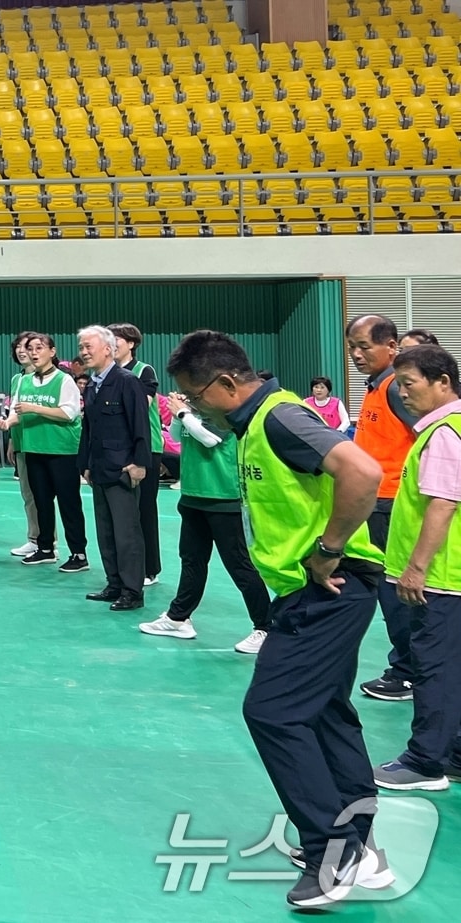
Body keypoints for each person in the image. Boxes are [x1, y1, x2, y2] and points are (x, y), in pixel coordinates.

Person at [167, 330, 388, 909]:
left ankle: (330, 854)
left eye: (194, 396)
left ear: (225, 383)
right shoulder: (252, 426)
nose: (191, 406)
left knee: (272, 711)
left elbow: (362, 472)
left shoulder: (279, 419)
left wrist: (330, 545)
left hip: (329, 589)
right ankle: (359, 848)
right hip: (305, 592)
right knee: (326, 715)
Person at [372, 345, 461, 791]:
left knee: (434, 667)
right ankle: (455, 752)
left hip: (443, 578)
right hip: (452, 576)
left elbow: (443, 505)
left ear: (442, 381)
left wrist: (416, 568)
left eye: (410, 384)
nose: (402, 394)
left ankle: (426, 762)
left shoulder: (444, 433)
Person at [138, 391, 272, 653]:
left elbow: (210, 439)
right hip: (193, 496)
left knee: (239, 566)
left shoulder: (224, 413)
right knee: (192, 561)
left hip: (222, 498)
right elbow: (177, 436)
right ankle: (179, 618)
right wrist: (183, 414)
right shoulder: (194, 413)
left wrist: (182, 412)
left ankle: (266, 627)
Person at [347, 315, 421, 702]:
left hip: (393, 504)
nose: (357, 355)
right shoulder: (375, 388)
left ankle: (409, 671)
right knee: (386, 591)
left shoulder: (397, 388)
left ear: (391, 347)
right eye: (352, 348)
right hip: (375, 503)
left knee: (396, 593)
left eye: (365, 347)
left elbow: (429, 434)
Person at [0, 333, 89, 571]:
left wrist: (35, 408)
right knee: (41, 502)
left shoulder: (64, 380)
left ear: (52, 351)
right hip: (33, 448)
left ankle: (79, 554)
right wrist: (8, 423)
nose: (33, 352)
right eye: (30, 349)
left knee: (69, 503)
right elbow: (18, 411)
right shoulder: (23, 381)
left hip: (62, 451)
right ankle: (45, 548)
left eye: (39, 348)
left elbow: (69, 413)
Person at [78, 325, 151, 611]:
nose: (83, 352)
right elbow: (88, 428)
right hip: (99, 469)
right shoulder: (93, 384)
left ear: (108, 349)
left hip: (122, 469)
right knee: (106, 531)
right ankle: (114, 583)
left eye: (88, 347)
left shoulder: (127, 381)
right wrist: (85, 464)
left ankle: (132, 590)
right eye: (82, 347)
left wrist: (140, 463)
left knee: (126, 533)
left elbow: (140, 425)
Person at [109, 323, 163, 587]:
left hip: (145, 449)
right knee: (121, 514)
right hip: (116, 450)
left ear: (130, 344)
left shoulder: (143, 371)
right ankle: (124, 567)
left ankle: (149, 567)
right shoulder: (106, 373)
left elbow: (142, 406)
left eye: (116, 339)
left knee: (144, 510)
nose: (111, 344)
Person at [7, 333, 46, 557]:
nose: (22, 351)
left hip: (43, 444)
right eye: (19, 348)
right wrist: (13, 439)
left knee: (43, 495)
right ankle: (34, 538)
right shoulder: (17, 379)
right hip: (22, 442)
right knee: (28, 493)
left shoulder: (51, 378)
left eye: (28, 347)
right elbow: (15, 411)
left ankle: (47, 541)